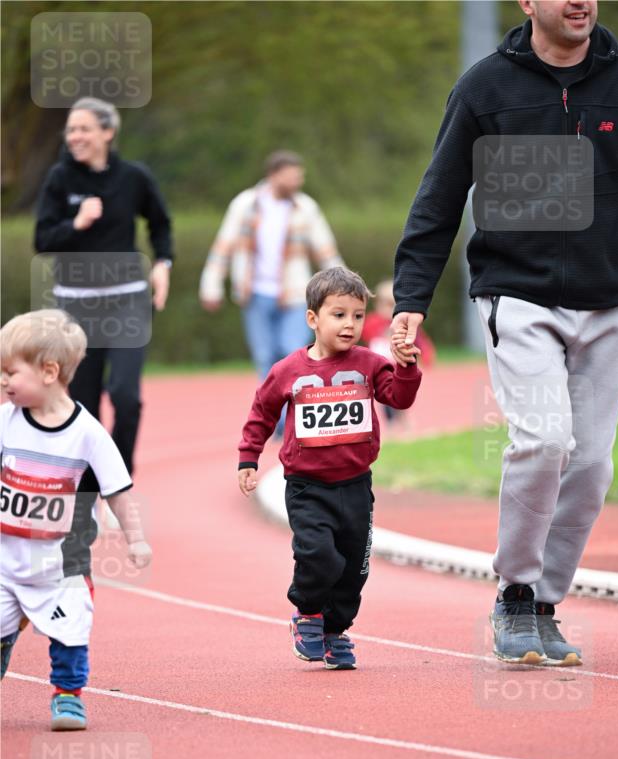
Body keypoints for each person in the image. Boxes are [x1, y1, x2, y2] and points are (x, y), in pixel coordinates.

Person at [391, 0, 618, 666]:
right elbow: (440, 194)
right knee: (544, 440)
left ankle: (543, 605)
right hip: (516, 297)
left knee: (592, 466)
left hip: (607, 302)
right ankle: (514, 594)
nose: (579, 1)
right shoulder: (485, 86)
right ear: (526, 3)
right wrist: (411, 297)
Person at [237, 266, 422, 669]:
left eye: (357, 315)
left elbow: (399, 398)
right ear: (312, 318)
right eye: (338, 315)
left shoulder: (370, 363)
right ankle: (307, 613)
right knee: (319, 554)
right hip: (307, 486)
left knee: (354, 568)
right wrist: (249, 457)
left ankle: (336, 630)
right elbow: (262, 413)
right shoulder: (288, 371)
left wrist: (406, 367)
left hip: (356, 485)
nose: (350, 324)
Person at [34, 97, 171, 566]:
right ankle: (89, 499)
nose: (75, 137)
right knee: (85, 405)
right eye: (71, 129)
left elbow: (161, 224)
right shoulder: (59, 179)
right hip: (76, 306)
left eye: (84, 129)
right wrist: (76, 223)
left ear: (108, 133)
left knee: (126, 396)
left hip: (128, 299)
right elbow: (43, 240)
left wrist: (164, 264)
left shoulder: (133, 177)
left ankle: (119, 484)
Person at [0, 310, 152, 731]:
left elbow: (118, 490)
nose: (3, 381)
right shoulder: (6, 420)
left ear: (49, 372)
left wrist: (136, 538)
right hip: (6, 560)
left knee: (71, 631)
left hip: (61, 564)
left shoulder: (88, 434)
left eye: (11, 372)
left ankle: (67, 696)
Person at [199, 150, 343, 384]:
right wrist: (210, 286)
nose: (297, 182)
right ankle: (272, 408)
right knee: (265, 356)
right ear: (273, 175)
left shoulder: (305, 207)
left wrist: (342, 287)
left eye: (299, 176)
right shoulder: (245, 204)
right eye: (292, 176)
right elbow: (223, 247)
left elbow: (326, 251)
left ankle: (292, 407)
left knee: (292, 350)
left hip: (296, 294)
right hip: (255, 293)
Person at [362, 279, 435, 428]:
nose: (389, 309)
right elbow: (366, 334)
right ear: (378, 305)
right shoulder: (372, 321)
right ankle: (390, 423)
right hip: (380, 368)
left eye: (393, 305)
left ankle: (404, 420)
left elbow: (419, 339)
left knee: (402, 394)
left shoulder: (404, 323)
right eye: (386, 304)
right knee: (383, 395)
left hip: (399, 366)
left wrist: (427, 356)